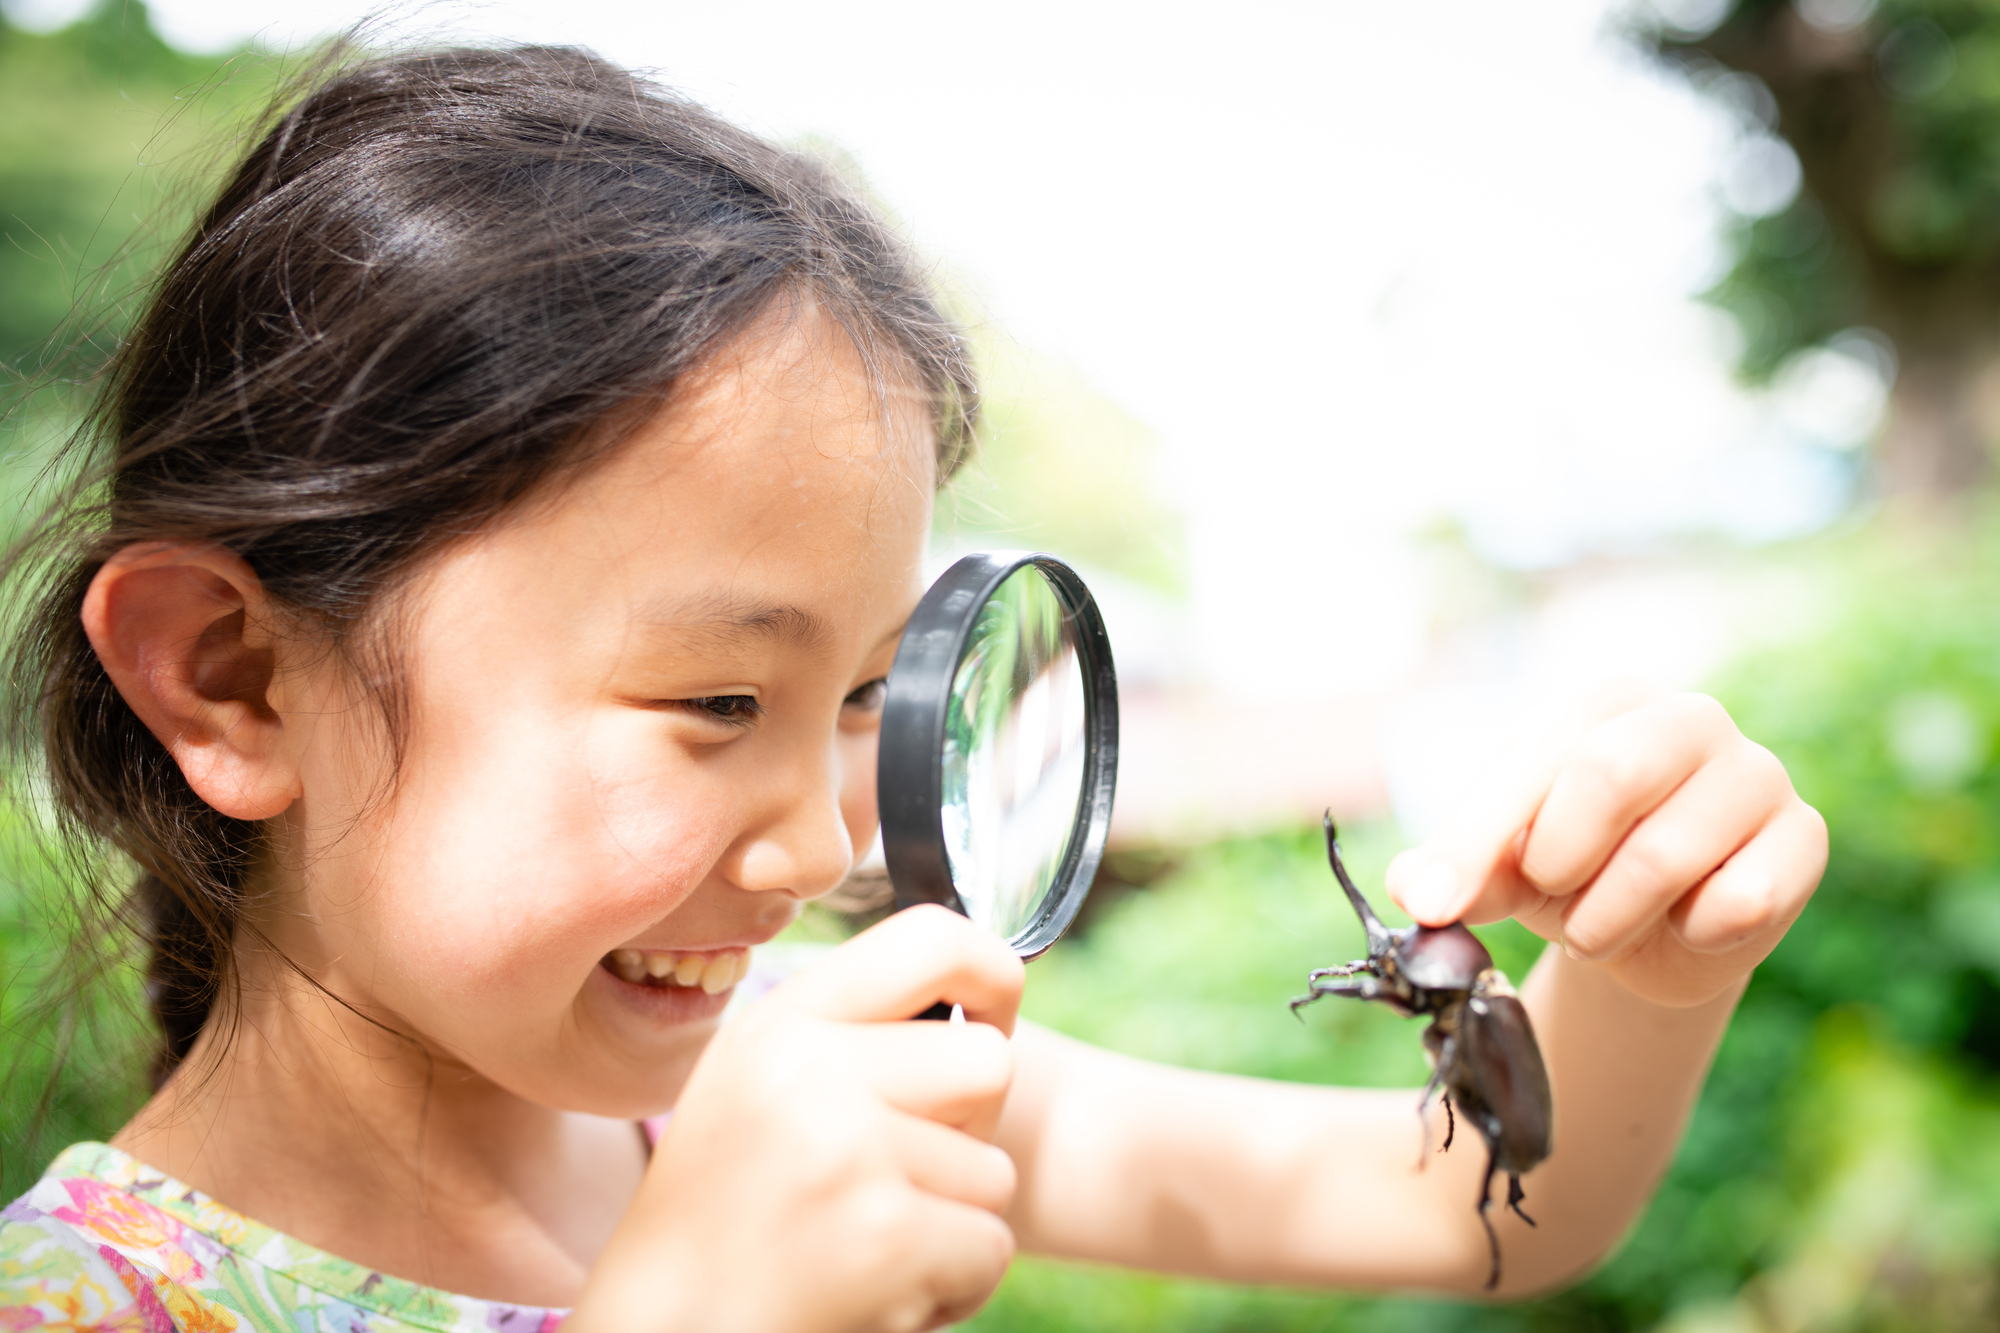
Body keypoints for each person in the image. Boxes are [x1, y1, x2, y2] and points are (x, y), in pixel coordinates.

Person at [0, 44, 1827, 1333]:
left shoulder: (808, 1074)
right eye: (719, 701)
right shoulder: (82, 1309)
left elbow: (1481, 1212)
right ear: (232, 681)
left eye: (869, 699)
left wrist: (1653, 972)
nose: (816, 845)